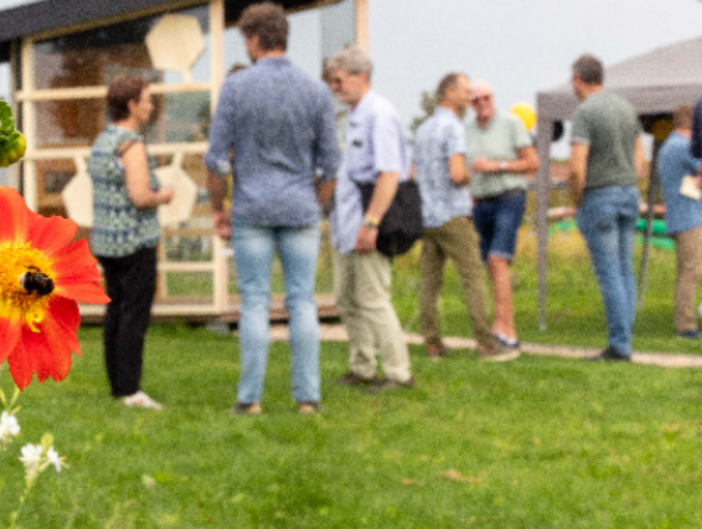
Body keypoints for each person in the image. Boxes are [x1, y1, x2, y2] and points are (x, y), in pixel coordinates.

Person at [205, 2, 341, 415]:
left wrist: (218, 208)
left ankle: (250, 399)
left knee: (254, 303)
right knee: (302, 301)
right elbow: (331, 164)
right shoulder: (316, 91)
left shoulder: (236, 87)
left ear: (254, 39)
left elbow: (216, 160)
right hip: (300, 206)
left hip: (252, 208)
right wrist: (315, 205)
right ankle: (307, 398)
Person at [324, 46, 413, 391]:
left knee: (374, 299)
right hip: (345, 224)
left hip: (367, 224)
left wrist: (371, 222)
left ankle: (398, 371)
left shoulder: (380, 114)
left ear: (361, 77)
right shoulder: (353, 117)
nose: (335, 87)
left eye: (339, 80)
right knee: (347, 299)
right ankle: (362, 366)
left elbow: (390, 174)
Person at [412, 73, 516, 362]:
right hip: (453, 214)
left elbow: (412, 173)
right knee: (472, 277)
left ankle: (432, 343)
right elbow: (457, 173)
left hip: (427, 214)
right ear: (448, 92)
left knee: (429, 282)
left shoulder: (422, 130)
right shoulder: (454, 128)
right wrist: (474, 175)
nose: (469, 97)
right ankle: (485, 343)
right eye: (465, 91)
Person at [88, 74, 175, 408]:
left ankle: (118, 384)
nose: (151, 105)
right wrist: (163, 196)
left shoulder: (103, 142)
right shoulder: (132, 145)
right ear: (132, 105)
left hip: (108, 242)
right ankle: (130, 390)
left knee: (115, 310)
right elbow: (140, 196)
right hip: (134, 241)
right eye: (147, 99)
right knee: (133, 316)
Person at [567, 54, 646, 362]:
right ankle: (625, 336)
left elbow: (576, 167)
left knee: (609, 271)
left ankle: (620, 344)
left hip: (600, 195)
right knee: (625, 268)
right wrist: (630, 179)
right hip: (628, 191)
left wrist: (577, 200)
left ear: (578, 79)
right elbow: (640, 155)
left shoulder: (585, 112)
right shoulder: (625, 107)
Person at [465, 80, 539, 351]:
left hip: (509, 196)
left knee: (498, 259)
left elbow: (532, 162)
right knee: (490, 264)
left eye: (485, 98)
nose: (481, 103)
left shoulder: (511, 124)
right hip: (481, 201)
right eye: (475, 100)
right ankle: (502, 327)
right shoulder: (467, 130)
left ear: (492, 98)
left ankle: (505, 329)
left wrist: (497, 166)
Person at [656, 105, 702, 339]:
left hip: (681, 216)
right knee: (690, 272)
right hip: (690, 217)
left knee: (692, 270)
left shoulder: (669, 146)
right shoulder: (684, 146)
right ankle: (686, 326)